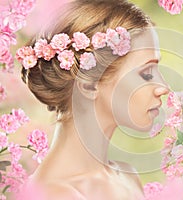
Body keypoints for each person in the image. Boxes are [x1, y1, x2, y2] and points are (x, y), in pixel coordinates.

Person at [16, 0, 169, 199]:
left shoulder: (126, 177)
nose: (163, 88)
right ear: (89, 84)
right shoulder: (54, 194)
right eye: (147, 73)